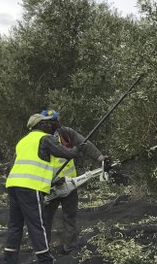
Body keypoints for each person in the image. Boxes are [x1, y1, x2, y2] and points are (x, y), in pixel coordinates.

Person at [2, 112, 82, 264]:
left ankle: (9, 262)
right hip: (30, 187)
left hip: (13, 185)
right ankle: (46, 262)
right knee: (37, 224)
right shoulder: (44, 138)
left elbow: (13, 166)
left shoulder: (23, 141)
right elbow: (66, 153)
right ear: (39, 125)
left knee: (15, 225)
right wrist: (78, 148)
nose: (49, 125)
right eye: (46, 123)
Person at [39, 109, 108, 254]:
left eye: (54, 120)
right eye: (49, 121)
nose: (52, 124)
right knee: (45, 219)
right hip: (49, 186)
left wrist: (100, 158)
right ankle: (44, 249)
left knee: (69, 217)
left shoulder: (66, 133)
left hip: (69, 184)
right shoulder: (41, 139)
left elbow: (84, 144)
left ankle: (70, 248)